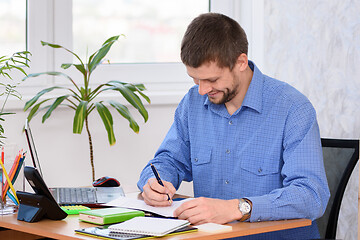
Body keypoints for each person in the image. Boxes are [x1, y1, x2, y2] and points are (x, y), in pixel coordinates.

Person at [137, 13, 330, 239]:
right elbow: (168, 160)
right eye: (195, 79)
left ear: (240, 62)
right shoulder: (193, 103)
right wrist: (154, 184)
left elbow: (311, 195)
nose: (202, 90)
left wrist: (236, 208)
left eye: (212, 80)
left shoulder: (292, 109)